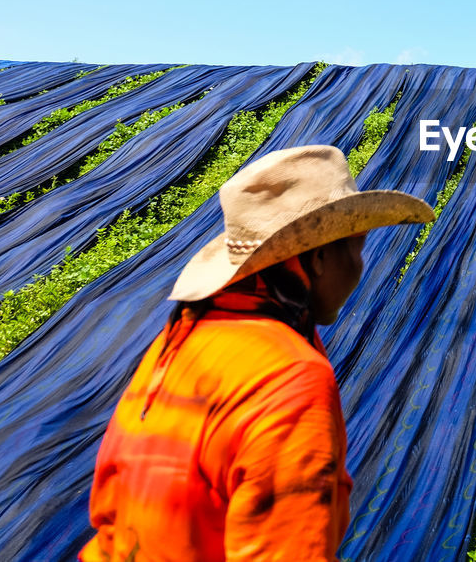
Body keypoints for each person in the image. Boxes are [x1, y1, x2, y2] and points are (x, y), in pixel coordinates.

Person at [79, 144, 434, 562]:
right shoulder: (290, 377)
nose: (361, 264)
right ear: (319, 257)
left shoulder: (181, 336)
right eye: (356, 247)